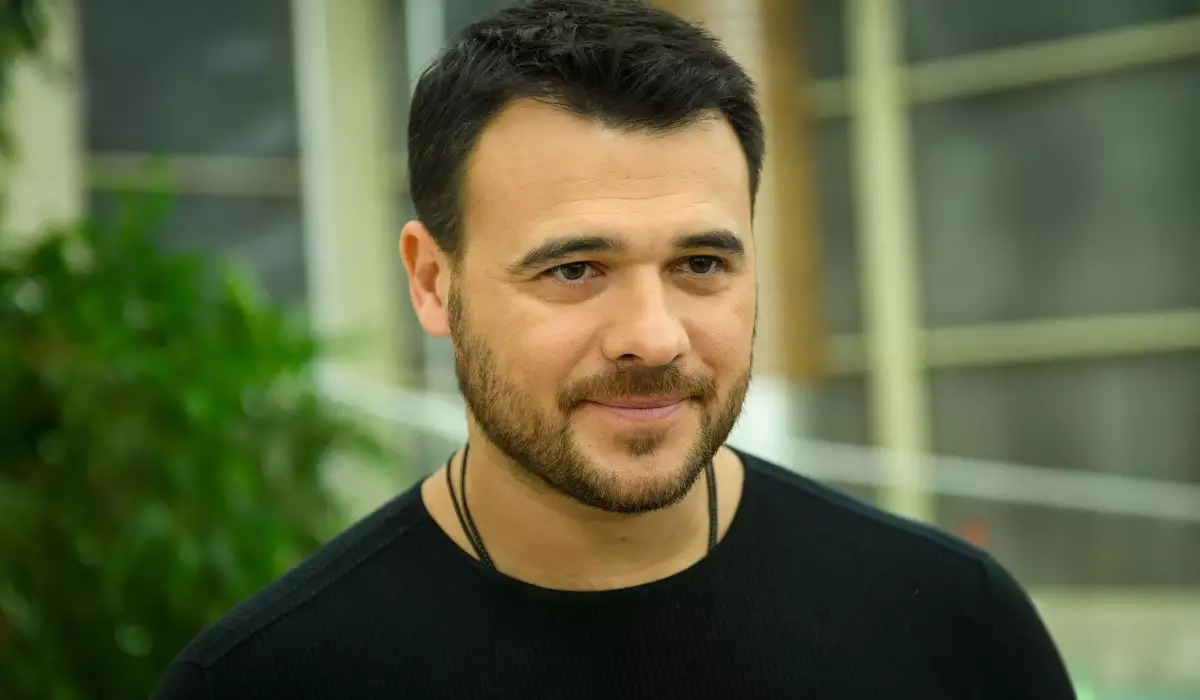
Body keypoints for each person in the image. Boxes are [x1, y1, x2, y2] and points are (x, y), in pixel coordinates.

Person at [152, 0, 1077, 697]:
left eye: (701, 264)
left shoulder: (953, 627)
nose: (652, 336)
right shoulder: (267, 682)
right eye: (575, 270)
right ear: (432, 282)